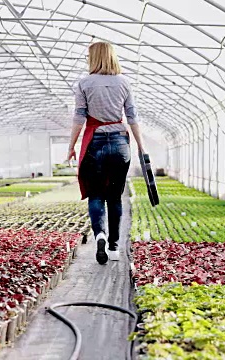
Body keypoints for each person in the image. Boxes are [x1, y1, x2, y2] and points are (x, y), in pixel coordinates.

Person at [66, 42, 145, 265]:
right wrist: (140, 146)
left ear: (93, 58)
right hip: (120, 142)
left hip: (95, 142)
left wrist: (71, 146)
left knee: (96, 195)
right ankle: (114, 246)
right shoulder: (124, 82)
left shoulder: (84, 83)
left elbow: (79, 117)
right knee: (115, 197)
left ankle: (99, 235)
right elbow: (132, 117)